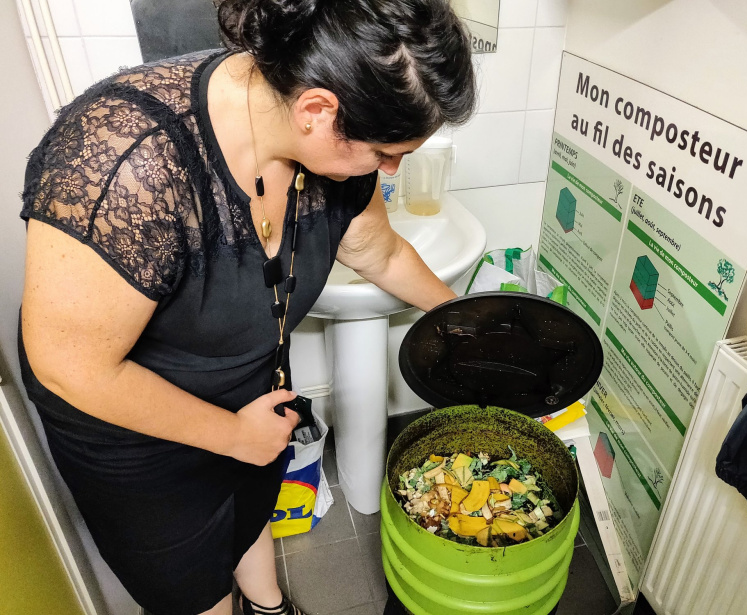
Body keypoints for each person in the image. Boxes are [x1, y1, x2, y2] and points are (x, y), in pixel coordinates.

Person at [17, 1, 476, 614]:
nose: (391, 170)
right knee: (194, 583)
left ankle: (268, 606)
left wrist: (464, 323)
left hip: (250, 398)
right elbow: (72, 366)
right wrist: (232, 434)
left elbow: (380, 252)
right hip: (136, 431)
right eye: (386, 152)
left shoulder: (327, 149)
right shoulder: (130, 159)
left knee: (249, 509)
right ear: (319, 111)